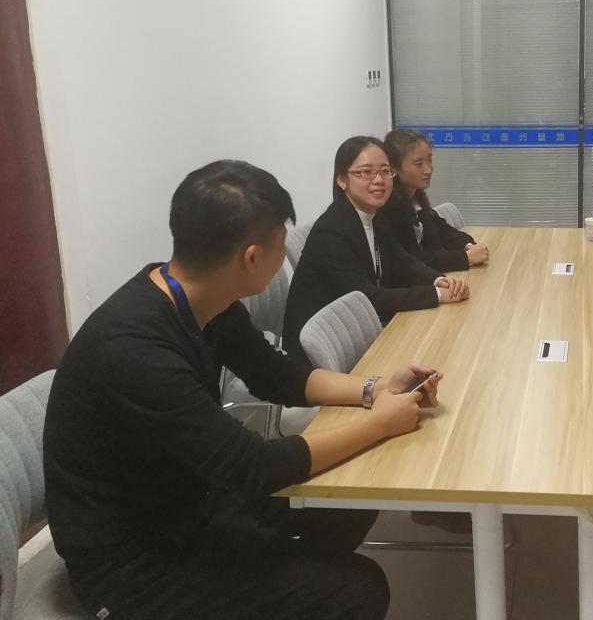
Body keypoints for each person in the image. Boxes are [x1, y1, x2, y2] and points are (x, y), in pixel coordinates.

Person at [44, 160, 442, 620]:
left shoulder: (200, 296)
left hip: (193, 504)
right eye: (280, 244)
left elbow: (276, 375)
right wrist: (379, 426)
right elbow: (254, 466)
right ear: (251, 257)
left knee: (352, 502)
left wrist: (375, 388)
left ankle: (287, 576)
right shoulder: (135, 351)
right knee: (358, 588)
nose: (284, 256)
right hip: (136, 565)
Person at [283, 136, 469, 364]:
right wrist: (437, 295)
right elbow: (369, 298)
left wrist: (438, 280)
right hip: (321, 356)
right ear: (342, 179)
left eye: (384, 171)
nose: (379, 180)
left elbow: (402, 261)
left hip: (358, 332)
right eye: (365, 172)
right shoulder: (332, 232)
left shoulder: (373, 216)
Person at [377, 128, 489, 272]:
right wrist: (464, 258)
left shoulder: (416, 197)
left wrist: (468, 246)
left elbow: (443, 230)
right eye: (419, 164)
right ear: (394, 169)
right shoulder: (389, 207)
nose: (428, 169)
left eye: (429, 160)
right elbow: (410, 260)